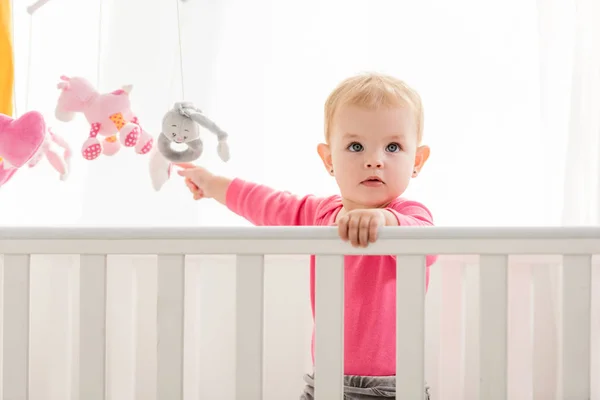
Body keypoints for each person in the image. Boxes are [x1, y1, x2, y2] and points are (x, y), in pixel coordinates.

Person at [177, 72, 436, 399]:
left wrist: (386, 220)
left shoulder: (411, 215)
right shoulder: (320, 215)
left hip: (395, 388)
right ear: (329, 159)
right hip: (324, 381)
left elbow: (427, 245)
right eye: (356, 146)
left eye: (393, 147)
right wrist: (213, 185)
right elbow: (266, 204)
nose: (374, 160)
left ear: (417, 160)